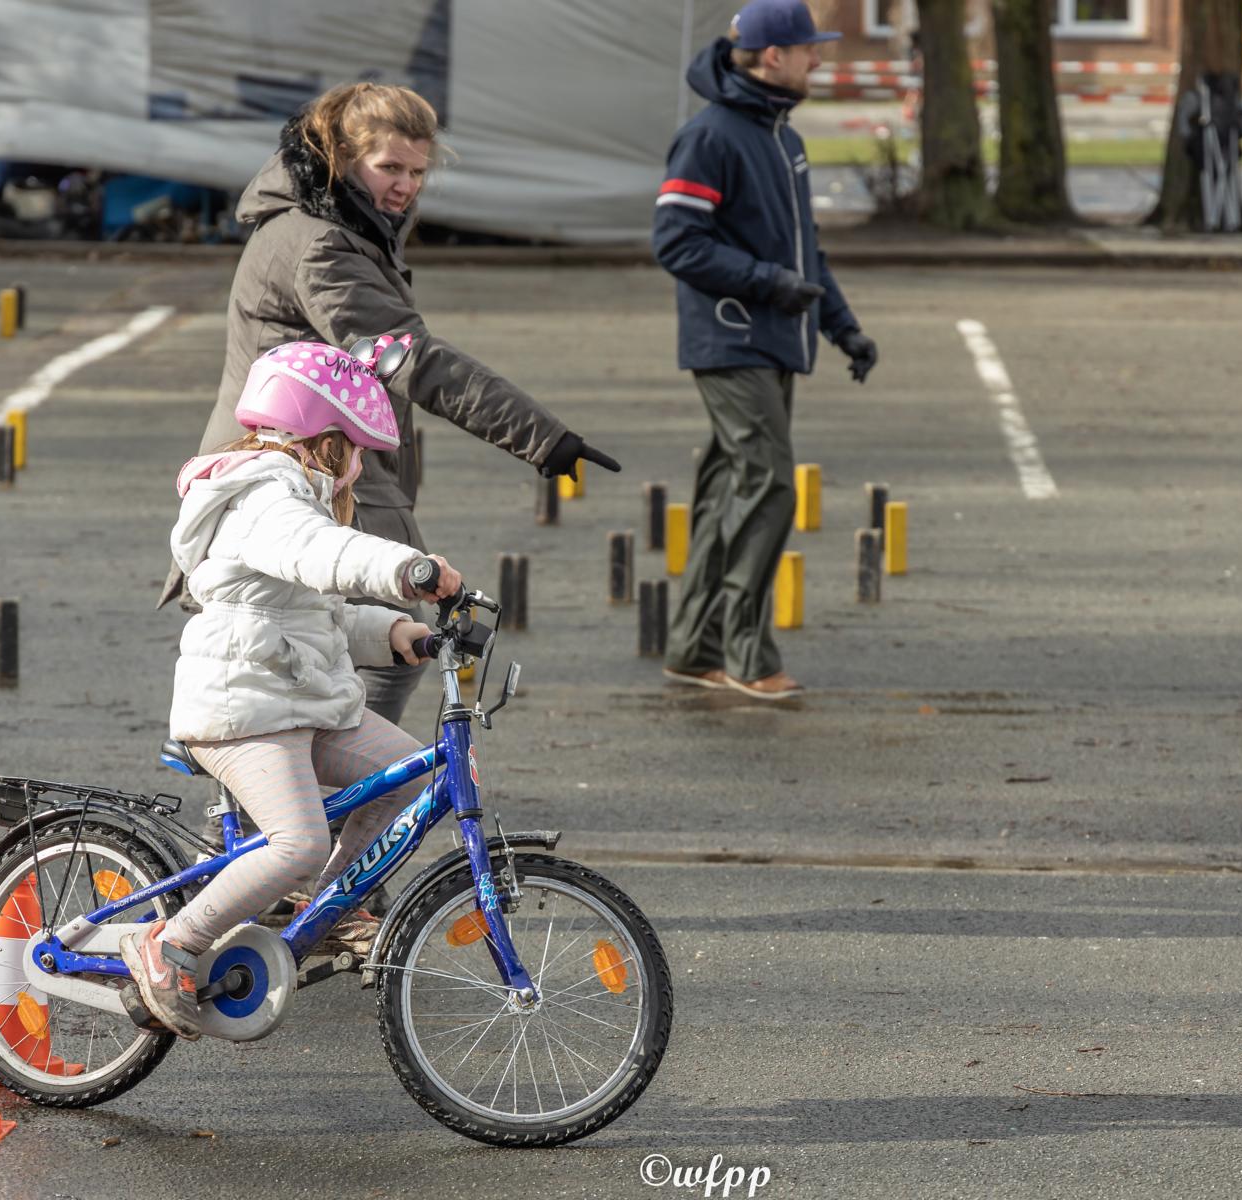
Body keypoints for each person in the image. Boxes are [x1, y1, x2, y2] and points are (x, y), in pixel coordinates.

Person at [162, 82, 618, 726]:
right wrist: (541, 437)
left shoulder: (341, 227)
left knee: (316, 647)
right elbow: (411, 359)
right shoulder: (322, 244)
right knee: (383, 642)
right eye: (389, 168)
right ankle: (293, 805)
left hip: (321, 461)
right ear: (341, 156)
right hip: (296, 467)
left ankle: (284, 804)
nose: (405, 185)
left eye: (417, 171)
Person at [127, 339, 463, 1037]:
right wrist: (411, 570)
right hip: (244, 709)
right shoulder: (264, 491)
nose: (363, 466)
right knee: (298, 841)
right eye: (358, 449)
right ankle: (170, 943)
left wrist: (393, 630)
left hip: (302, 700)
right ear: (327, 442)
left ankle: (332, 908)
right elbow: (319, 557)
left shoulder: (294, 493)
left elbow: (316, 610)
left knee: (413, 777)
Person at [652, 0, 878, 703]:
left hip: (773, 338)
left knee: (731, 488)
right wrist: (767, 284)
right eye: (810, 48)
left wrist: (842, 326)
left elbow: (805, 254)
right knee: (769, 482)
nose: (820, 58)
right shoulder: (711, 135)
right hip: (730, 340)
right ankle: (747, 655)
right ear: (772, 57)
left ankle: (693, 649)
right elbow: (676, 242)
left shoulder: (781, 137)